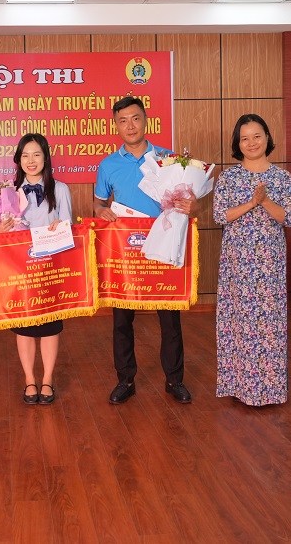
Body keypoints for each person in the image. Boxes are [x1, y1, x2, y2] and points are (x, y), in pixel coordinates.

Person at [93, 96, 196, 405]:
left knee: (170, 319)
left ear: (146, 120)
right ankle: (125, 380)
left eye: (135, 118)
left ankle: (174, 380)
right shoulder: (108, 165)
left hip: (163, 247)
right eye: (123, 120)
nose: (130, 126)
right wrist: (100, 211)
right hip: (125, 253)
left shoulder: (168, 159)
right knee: (122, 320)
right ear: (115, 126)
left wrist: (190, 204)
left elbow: (186, 199)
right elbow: (99, 203)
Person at [213, 114, 291, 406]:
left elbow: (289, 218)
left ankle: (271, 389)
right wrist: (251, 203)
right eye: (245, 138)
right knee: (239, 321)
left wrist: (266, 201)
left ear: (267, 138)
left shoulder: (282, 178)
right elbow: (220, 216)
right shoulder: (228, 178)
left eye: (257, 136)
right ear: (238, 143)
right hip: (237, 262)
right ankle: (239, 386)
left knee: (269, 323)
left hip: (269, 263)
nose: (251, 143)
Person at [0, 133, 72, 405]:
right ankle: (29, 379)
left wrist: (60, 228)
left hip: (50, 268)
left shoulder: (60, 189)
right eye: (25, 155)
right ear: (18, 160)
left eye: (36, 154)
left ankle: (47, 379)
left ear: (46, 158)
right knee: (24, 326)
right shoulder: (8, 193)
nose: (31, 160)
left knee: (50, 325)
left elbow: (69, 229)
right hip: (20, 269)